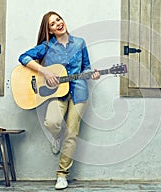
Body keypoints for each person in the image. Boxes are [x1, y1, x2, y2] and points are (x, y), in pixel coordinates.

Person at [18, 11, 100, 190]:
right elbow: (23, 57)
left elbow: (86, 67)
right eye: (53, 24)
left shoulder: (79, 43)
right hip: (57, 93)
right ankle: (56, 137)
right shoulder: (46, 46)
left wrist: (92, 74)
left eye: (58, 20)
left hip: (79, 93)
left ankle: (62, 175)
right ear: (50, 31)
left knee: (72, 134)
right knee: (52, 122)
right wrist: (44, 71)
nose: (58, 24)